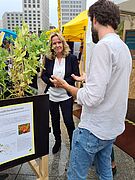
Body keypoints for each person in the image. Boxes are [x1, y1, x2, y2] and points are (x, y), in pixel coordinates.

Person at [50, 0, 132, 179]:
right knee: (105, 173)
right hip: (111, 129)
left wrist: (66, 86)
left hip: (94, 130)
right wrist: (89, 77)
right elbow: (113, 79)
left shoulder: (103, 46)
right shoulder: (123, 48)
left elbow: (92, 97)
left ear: (95, 20)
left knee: (76, 176)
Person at [41, 32, 80, 154]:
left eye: (59, 42)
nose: (57, 45)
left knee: (68, 121)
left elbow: (75, 76)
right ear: (51, 46)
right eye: (54, 43)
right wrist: (53, 83)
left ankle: (73, 143)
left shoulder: (71, 58)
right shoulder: (48, 59)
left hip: (65, 95)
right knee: (55, 120)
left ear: (63, 43)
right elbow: (44, 76)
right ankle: (57, 141)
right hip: (52, 95)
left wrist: (62, 83)